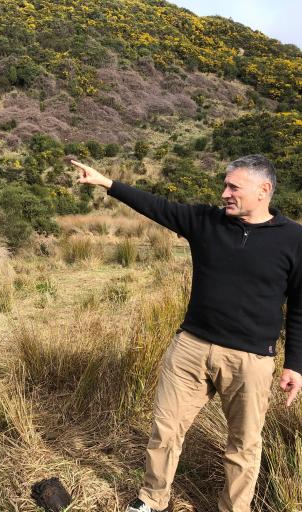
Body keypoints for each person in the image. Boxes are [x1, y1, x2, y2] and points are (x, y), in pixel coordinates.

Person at [70, 154, 302, 512]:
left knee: (243, 446)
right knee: (165, 430)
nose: (224, 193)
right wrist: (106, 183)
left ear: (264, 190)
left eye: (233, 186)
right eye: (224, 184)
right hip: (190, 348)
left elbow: (300, 307)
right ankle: (151, 499)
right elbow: (156, 206)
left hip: (250, 360)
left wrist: (295, 365)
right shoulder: (205, 221)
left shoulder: (294, 239)